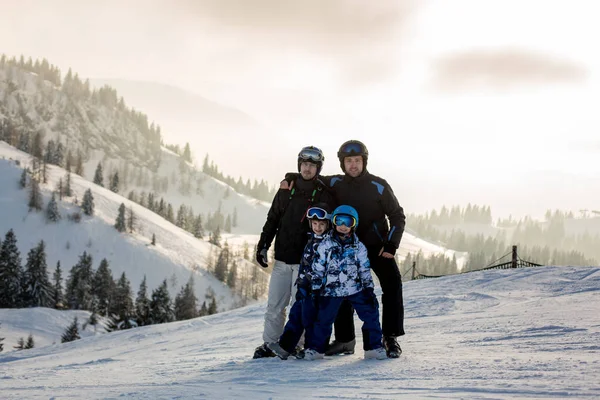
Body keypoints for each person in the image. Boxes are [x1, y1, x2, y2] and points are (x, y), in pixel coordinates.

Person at [283, 140, 406, 358]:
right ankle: (344, 340)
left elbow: (397, 216)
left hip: (377, 248)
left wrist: (391, 245)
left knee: (392, 285)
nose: (353, 165)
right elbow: (312, 178)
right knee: (338, 288)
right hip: (342, 246)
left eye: (357, 161)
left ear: (364, 162)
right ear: (343, 163)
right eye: (349, 161)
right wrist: (293, 176)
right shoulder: (336, 182)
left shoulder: (379, 185)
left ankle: (390, 337)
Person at [253, 146, 335, 359]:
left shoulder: (324, 193)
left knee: (299, 306)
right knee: (274, 306)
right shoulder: (286, 189)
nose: (307, 169)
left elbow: (328, 227)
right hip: (281, 259)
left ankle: (296, 344)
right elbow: (273, 219)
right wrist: (263, 245)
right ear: (299, 165)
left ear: (318, 168)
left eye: (312, 165)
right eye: (304, 164)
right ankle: (270, 344)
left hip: (305, 262)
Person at [302, 205, 387, 360]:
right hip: (331, 290)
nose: (343, 226)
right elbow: (318, 268)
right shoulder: (326, 245)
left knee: (371, 315)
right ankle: (316, 349)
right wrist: (315, 288)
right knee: (323, 319)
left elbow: (364, 268)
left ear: (354, 224)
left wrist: (368, 288)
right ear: (333, 222)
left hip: (355, 288)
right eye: (339, 221)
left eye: (347, 222)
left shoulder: (358, 247)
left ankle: (373, 347)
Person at [267, 203, 332, 360]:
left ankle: (313, 349)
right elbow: (304, 264)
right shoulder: (310, 240)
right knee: (295, 315)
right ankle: (285, 347)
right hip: (305, 287)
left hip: (319, 290)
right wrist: (301, 282)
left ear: (328, 224)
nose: (318, 227)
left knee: (312, 319)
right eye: (315, 224)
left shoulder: (330, 243)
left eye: (321, 224)